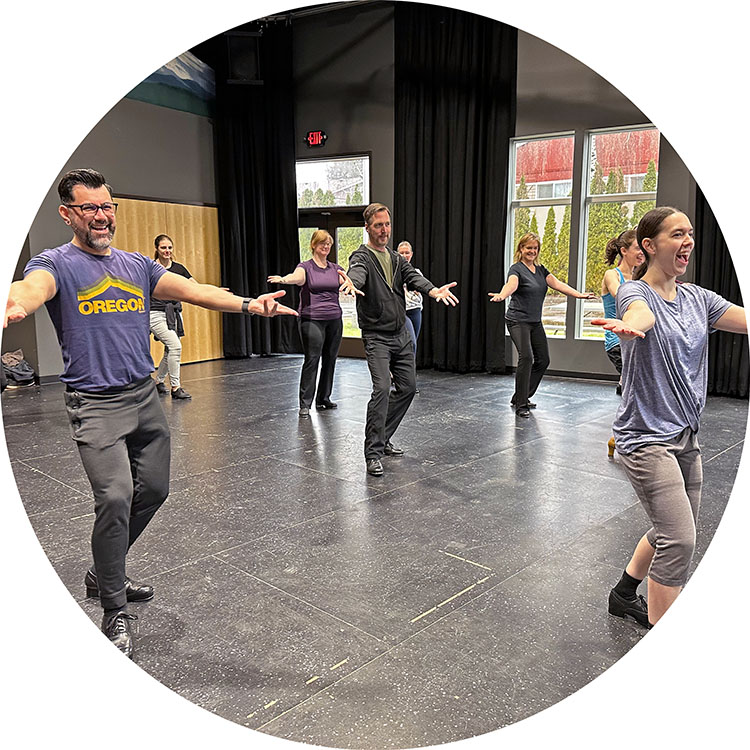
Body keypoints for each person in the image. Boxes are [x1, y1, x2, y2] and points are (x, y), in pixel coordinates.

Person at [4, 168, 297, 659]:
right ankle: (114, 606)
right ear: (68, 214)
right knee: (116, 496)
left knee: (154, 490)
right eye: (90, 207)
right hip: (95, 404)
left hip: (143, 397)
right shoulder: (55, 262)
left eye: (107, 206)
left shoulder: (138, 266)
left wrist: (250, 304)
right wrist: (12, 306)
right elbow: (29, 290)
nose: (102, 215)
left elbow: (196, 290)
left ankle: (105, 570)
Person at [592, 206, 746, 629]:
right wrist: (630, 326)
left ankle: (623, 594)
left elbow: (743, 318)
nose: (688, 241)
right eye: (677, 234)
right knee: (679, 539)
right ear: (649, 245)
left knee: (671, 531)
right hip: (645, 439)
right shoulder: (634, 293)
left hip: (685, 436)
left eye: (690, 234)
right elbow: (641, 314)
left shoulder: (699, 299)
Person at [343, 203, 458, 476]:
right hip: (377, 337)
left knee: (407, 388)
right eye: (378, 225)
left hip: (401, 335)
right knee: (382, 388)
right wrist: (351, 283)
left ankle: (382, 438)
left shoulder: (396, 259)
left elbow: (415, 279)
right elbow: (357, 274)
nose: (384, 230)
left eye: (387, 225)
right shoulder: (361, 256)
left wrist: (432, 291)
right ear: (367, 228)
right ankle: (373, 452)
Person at [489, 232, 595, 417]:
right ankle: (522, 405)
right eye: (528, 247)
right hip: (517, 320)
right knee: (527, 358)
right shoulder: (516, 269)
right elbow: (511, 285)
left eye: (535, 248)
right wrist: (502, 295)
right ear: (521, 249)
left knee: (543, 360)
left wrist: (580, 295)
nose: (532, 251)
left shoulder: (541, 270)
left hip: (534, 322)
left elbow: (558, 284)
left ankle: (520, 396)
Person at [268, 230, 357, 417]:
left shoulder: (335, 268)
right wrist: (284, 279)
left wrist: (354, 286)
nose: (326, 247)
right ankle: (305, 403)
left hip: (334, 318)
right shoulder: (306, 267)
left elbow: (349, 283)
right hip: (311, 319)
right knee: (312, 359)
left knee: (330, 359)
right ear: (314, 245)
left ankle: (324, 398)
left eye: (329, 244)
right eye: (323, 243)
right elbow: (297, 277)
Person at [601, 229, 644, 456]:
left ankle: (621, 436)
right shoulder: (613, 275)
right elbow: (624, 298)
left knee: (637, 390)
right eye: (638, 248)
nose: (642, 253)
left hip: (637, 342)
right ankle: (622, 436)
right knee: (635, 391)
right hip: (617, 342)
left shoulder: (640, 277)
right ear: (624, 251)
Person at [150, 234, 196, 400]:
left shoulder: (179, 268)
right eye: (163, 247)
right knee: (175, 346)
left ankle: (158, 381)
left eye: (169, 247)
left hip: (174, 313)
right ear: (157, 249)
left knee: (170, 349)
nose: (167, 251)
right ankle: (176, 387)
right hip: (154, 313)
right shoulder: (151, 268)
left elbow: (195, 287)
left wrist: (214, 291)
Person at [397, 241, 424, 355]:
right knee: (410, 343)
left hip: (416, 310)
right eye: (401, 253)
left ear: (411, 254)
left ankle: (409, 371)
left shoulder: (416, 272)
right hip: (402, 312)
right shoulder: (394, 273)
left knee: (414, 344)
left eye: (407, 253)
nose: (404, 255)